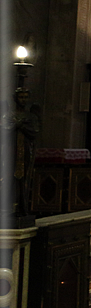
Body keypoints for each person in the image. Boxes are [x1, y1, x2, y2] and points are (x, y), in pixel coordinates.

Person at [5, 88, 40, 216]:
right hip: (9, 151)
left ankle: (22, 207)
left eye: (26, 97)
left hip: (25, 151)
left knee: (24, 179)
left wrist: (21, 126)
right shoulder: (8, 115)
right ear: (15, 98)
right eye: (21, 97)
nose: (23, 100)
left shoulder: (31, 116)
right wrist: (16, 125)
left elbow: (34, 132)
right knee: (8, 178)